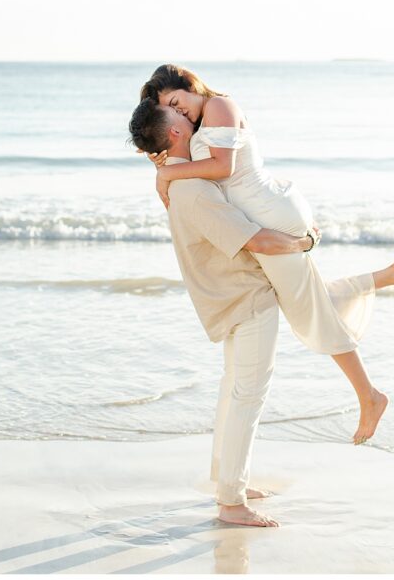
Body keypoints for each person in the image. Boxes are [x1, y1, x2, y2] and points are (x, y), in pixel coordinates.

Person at [139, 63, 394, 446]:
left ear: (191, 85)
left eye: (178, 103)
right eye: (172, 110)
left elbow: (223, 166)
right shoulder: (202, 119)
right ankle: (393, 274)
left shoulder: (219, 105)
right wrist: (164, 168)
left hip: (269, 215)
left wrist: (167, 175)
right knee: (311, 300)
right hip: (261, 217)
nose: (180, 113)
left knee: (309, 309)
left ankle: (370, 396)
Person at [128, 97, 319, 528]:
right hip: (244, 299)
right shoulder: (193, 189)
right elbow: (258, 241)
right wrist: (307, 242)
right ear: (175, 133)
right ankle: (231, 502)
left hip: (232, 297)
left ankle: (228, 480)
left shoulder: (181, 183)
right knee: (247, 398)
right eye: (179, 114)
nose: (189, 115)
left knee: (234, 391)